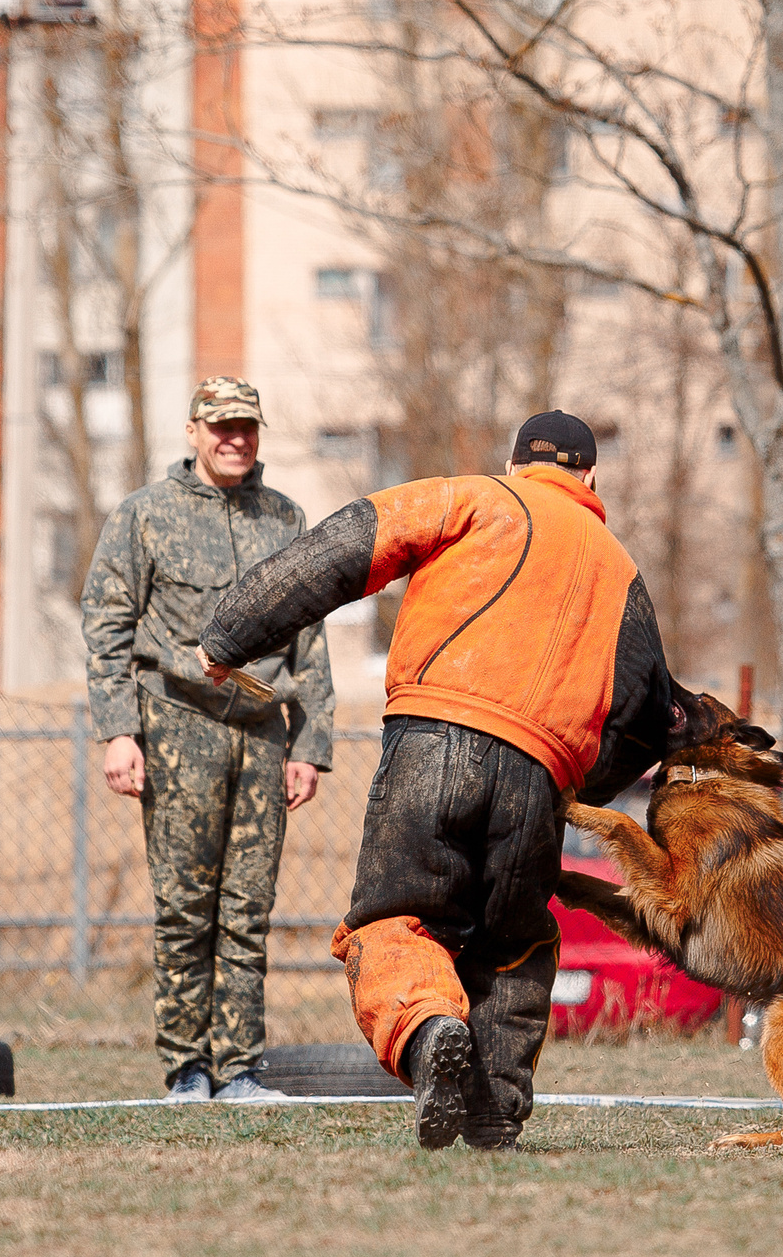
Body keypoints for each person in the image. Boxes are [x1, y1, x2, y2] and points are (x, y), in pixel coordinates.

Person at [197, 410, 691, 1149]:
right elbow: (649, 714)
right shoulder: (623, 575)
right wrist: (580, 789)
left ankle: (429, 1030)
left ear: (516, 462)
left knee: (397, 919)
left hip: (432, 737)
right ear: (592, 476)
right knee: (513, 943)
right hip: (540, 772)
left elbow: (339, 548)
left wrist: (230, 632)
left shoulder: (472, 498)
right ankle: (495, 1114)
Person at [80, 376, 333, 1104]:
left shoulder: (285, 520)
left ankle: (242, 1069)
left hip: (260, 730)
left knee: (249, 907)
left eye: (247, 427)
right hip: (175, 727)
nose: (235, 439)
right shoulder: (144, 516)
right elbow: (106, 627)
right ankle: (188, 1068)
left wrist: (311, 743)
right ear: (193, 430)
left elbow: (310, 640)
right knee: (186, 907)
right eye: (221, 426)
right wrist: (119, 731)